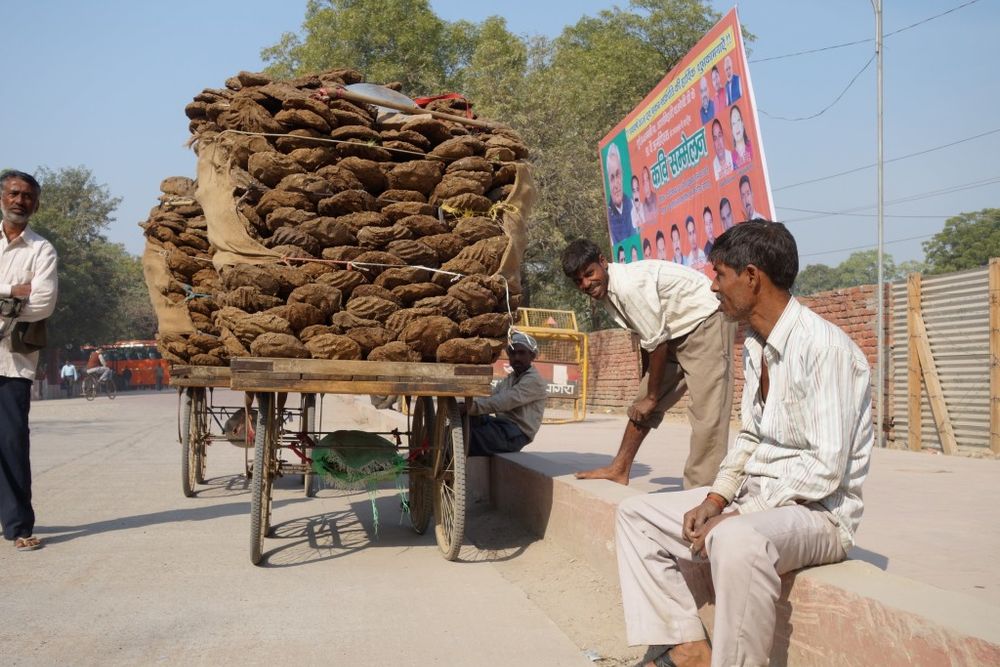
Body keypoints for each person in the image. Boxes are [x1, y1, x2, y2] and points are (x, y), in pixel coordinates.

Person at [614, 221, 873, 667]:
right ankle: (688, 648)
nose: (713, 287)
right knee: (635, 516)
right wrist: (716, 499)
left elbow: (826, 467)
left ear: (751, 277)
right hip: (760, 501)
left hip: (820, 515)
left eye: (719, 275)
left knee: (735, 540)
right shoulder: (756, 343)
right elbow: (752, 436)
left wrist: (740, 515)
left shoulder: (826, 348)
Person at [560, 239, 735, 489]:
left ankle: (701, 489)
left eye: (589, 274)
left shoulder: (628, 286)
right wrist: (647, 388)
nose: (586, 284)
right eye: (579, 281)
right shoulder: (608, 291)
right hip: (672, 332)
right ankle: (619, 468)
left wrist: (653, 397)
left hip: (705, 322)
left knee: (708, 413)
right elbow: (647, 338)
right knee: (641, 403)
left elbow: (656, 343)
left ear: (602, 261)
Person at [0, 170, 58, 552]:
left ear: (35, 203)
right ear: (2, 197)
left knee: (12, 443)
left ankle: (19, 527)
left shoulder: (43, 251)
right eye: (14, 193)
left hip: (13, 361)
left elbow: (42, 303)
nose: (21, 201)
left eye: (28, 196)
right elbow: (23, 300)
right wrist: (9, 293)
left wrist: (14, 306)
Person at [467, 332, 548, 456]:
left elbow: (505, 401)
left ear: (532, 356)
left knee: (467, 437)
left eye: (521, 353)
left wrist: (471, 407)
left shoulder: (534, 380)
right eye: (513, 353)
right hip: (500, 425)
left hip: (515, 433)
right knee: (465, 422)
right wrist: (466, 403)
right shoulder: (511, 378)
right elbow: (490, 396)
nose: (516, 358)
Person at [605, 144, 634, 245]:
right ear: (608, 183)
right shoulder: (608, 218)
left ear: (622, 175)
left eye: (618, 174)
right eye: (612, 178)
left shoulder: (633, 205)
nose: (616, 184)